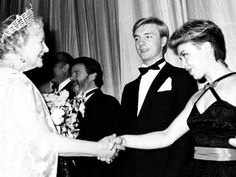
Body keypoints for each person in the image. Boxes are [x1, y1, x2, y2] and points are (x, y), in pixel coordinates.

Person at [0, 6, 120, 177]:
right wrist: (100, 148)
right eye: (41, 41)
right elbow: (44, 143)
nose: (47, 48)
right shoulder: (15, 82)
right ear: (21, 43)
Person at [117, 19, 236, 177]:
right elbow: (166, 136)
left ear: (207, 49)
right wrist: (120, 140)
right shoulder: (197, 96)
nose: (184, 63)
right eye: (181, 58)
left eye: (185, 55)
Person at [119, 17, 198, 177]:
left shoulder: (182, 77)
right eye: (137, 38)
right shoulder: (129, 88)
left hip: (167, 168)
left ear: (163, 41)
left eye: (148, 36)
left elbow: (186, 136)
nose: (140, 43)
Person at [70, 57, 122, 177]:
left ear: (92, 76)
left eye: (76, 73)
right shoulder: (67, 104)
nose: (72, 78)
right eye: (71, 74)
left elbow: (110, 143)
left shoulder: (108, 102)